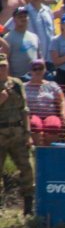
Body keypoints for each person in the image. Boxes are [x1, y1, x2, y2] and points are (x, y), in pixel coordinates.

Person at [0, 53, 32, 214]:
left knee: (26, 168)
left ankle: (28, 207)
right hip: (1, 132)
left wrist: (28, 133)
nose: (2, 68)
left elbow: (25, 110)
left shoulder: (17, 84)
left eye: (4, 65)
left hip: (18, 133)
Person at [24, 59, 65, 146]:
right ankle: (38, 149)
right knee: (34, 124)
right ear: (30, 71)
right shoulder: (24, 87)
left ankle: (47, 149)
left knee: (53, 125)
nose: (38, 71)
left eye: (40, 68)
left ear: (45, 70)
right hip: (31, 114)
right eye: (35, 69)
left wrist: (63, 112)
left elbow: (62, 100)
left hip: (50, 114)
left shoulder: (52, 85)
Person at [5, 6, 39, 79]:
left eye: (25, 16)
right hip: (18, 79)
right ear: (14, 19)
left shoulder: (34, 37)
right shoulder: (8, 37)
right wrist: (9, 79)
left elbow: (40, 57)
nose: (23, 18)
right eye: (20, 17)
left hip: (34, 79)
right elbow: (5, 60)